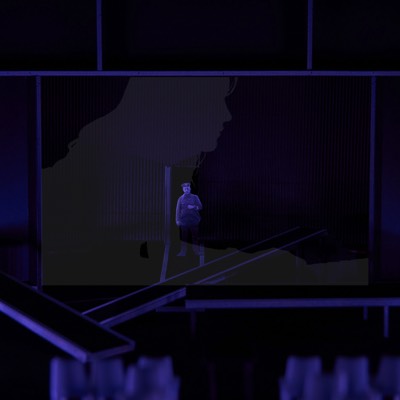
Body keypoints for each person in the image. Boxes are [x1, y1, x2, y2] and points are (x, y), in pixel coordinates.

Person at [175, 183, 203, 256]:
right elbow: (178, 210)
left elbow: (200, 207)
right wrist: (177, 220)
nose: (186, 189)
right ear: (183, 190)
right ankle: (183, 252)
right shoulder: (180, 199)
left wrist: (194, 207)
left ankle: (196, 251)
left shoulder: (195, 197)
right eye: (185, 188)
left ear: (190, 188)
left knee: (195, 237)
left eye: (188, 188)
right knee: (184, 238)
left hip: (194, 221)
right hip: (184, 222)